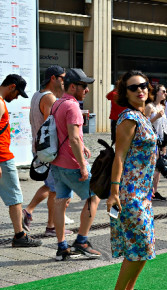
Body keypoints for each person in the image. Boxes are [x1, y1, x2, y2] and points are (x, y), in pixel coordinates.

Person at [106, 70, 157, 290]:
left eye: (144, 85)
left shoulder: (141, 114)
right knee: (140, 244)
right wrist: (114, 191)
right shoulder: (128, 117)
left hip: (143, 192)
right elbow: (119, 154)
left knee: (145, 246)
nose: (141, 90)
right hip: (129, 191)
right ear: (124, 93)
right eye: (134, 87)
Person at [50, 68, 102, 261]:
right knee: (94, 196)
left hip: (56, 162)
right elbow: (73, 138)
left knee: (60, 201)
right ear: (73, 86)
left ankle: (62, 247)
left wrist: (83, 146)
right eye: (84, 86)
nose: (87, 90)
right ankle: (81, 241)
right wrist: (82, 164)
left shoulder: (57, 104)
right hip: (72, 163)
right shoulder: (72, 106)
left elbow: (66, 135)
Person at [24, 65, 75, 237]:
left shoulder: (37, 94)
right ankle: (51, 227)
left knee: (50, 186)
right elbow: (51, 126)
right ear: (53, 78)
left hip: (39, 147)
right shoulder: (49, 98)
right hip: (49, 150)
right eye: (62, 77)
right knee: (55, 189)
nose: (64, 80)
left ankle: (29, 211)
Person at [0, 74, 41, 247]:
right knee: (15, 198)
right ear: (11, 87)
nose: (16, 97)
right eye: (17, 93)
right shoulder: (0, 102)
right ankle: (19, 235)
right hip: (2, 158)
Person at [145, 84, 167, 201]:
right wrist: (156, 117)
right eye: (163, 91)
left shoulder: (162, 106)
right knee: (152, 166)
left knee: (158, 167)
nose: (165, 93)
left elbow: (164, 125)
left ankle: (155, 190)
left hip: (161, 140)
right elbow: (145, 123)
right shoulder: (149, 106)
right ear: (156, 92)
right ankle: (149, 191)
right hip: (152, 140)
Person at [106, 79, 127, 144]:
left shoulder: (113, 93)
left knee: (114, 130)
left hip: (115, 116)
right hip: (124, 116)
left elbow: (107, 96)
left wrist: (114, 89)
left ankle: (114, 140)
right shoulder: (125, 94)